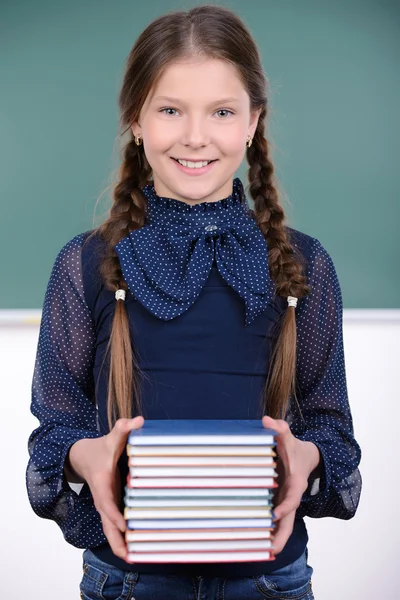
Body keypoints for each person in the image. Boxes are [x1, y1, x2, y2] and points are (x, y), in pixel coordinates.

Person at [25, 5, 361, 600]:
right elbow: (53, 432)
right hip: (127, 581)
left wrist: (307, 457)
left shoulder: (304, 265)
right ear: (136, 119)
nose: (196, 136)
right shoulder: (85, 264)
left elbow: (335, 437)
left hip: (269, 580)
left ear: (254, 120)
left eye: (223, 112)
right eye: (170, 109)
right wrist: (86, 454)